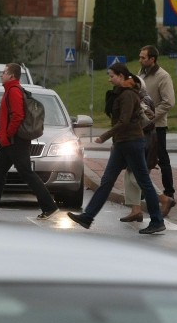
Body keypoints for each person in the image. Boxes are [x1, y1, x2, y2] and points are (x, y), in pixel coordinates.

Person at [67, 63, 164, 235]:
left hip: (132, 143)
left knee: (144, 182)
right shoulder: (121, 93)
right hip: (121, 144)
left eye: (112, 75)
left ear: (121, 76)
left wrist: (103, 136)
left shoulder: (128, 95)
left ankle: (157, 221)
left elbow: (124, 121)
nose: (109, 79)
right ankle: (88, 216)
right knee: (106, 182)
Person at [0, 63, 60, 220]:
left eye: (4, 72)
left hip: (15, 141)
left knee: (26, 173)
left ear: (11, 76)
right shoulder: (10, 90)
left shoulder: (14, 91)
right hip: (9, 142)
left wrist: (8, 134)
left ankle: (50, 206)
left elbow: (18, 116)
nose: (1, 75)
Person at [126, 45, 176, 218]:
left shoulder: (163, 76)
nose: (140, 60)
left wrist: (152, 117)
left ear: (152, 59)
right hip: (143, 127)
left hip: (157, 126)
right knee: (143, 161)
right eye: (140, 57)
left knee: (162, 159)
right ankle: (141, 198)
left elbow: (169, 102)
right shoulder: (141, 75)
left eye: (143, 57)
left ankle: (169, 194)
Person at [120, 75, 156, 222]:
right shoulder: (136, 98)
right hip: (134, 140)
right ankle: (136, 210)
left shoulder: (144, 100)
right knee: (129, 176)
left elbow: (149, 122)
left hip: (142, 141)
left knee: (136, 176)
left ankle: (162, 198)